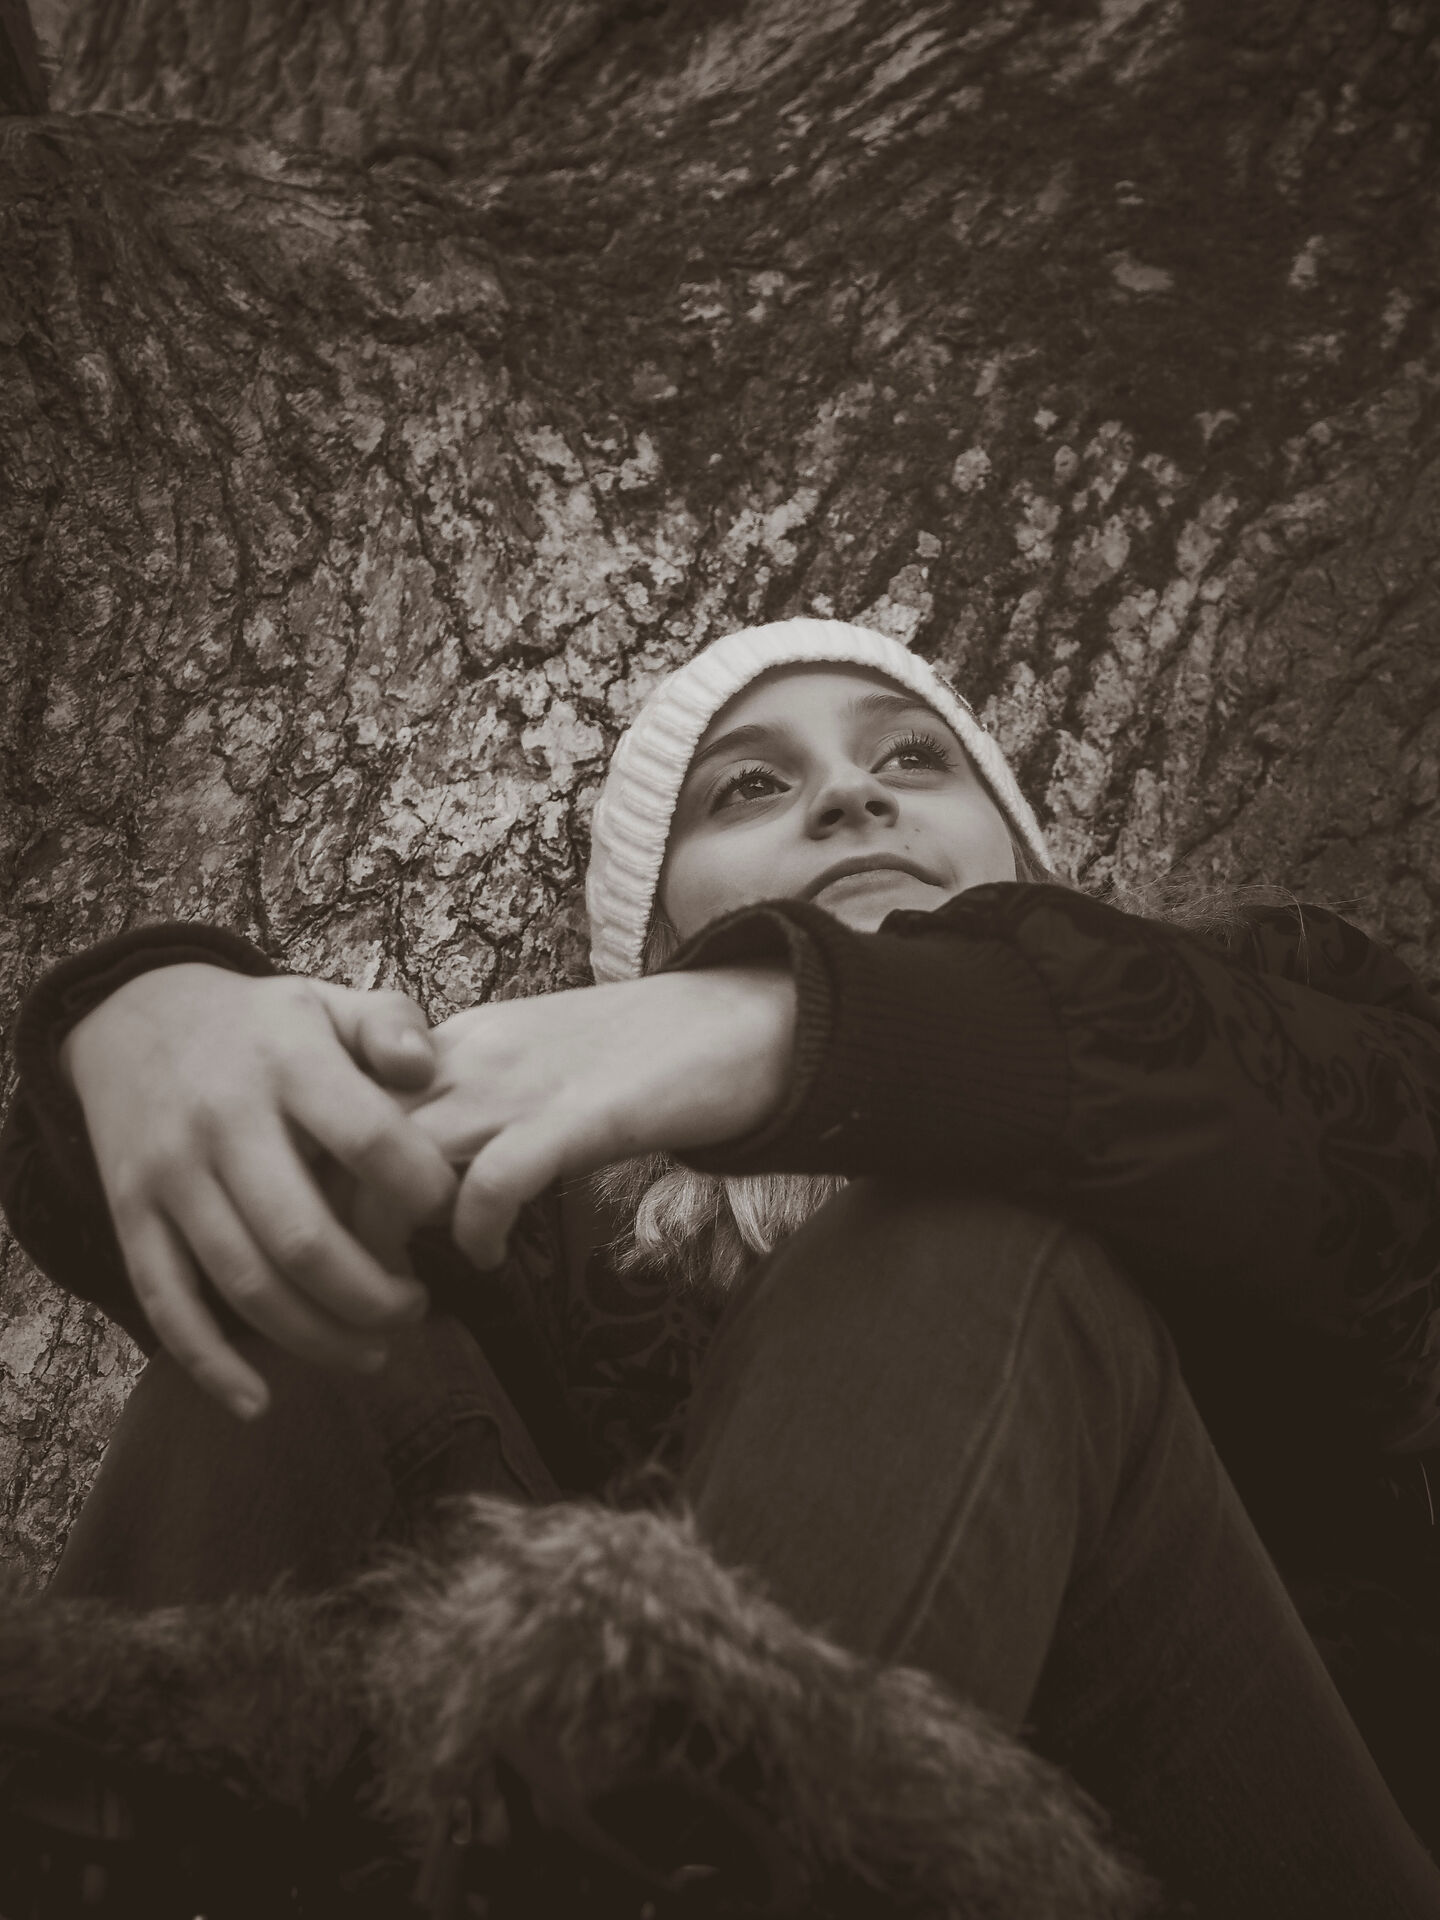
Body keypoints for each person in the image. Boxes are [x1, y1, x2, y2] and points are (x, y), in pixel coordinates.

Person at [2, 618, 1439, 1918]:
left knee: (955, 1228)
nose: (851, 795)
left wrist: (795, 1029)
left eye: (915, 758)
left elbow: (1379, 1150)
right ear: (658, 953)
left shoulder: (1276, 1032)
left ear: (1025, 867)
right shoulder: (560, 1251)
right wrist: (141, 1015)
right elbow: (252, 1227)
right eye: (748, 787)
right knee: (310, 1330)